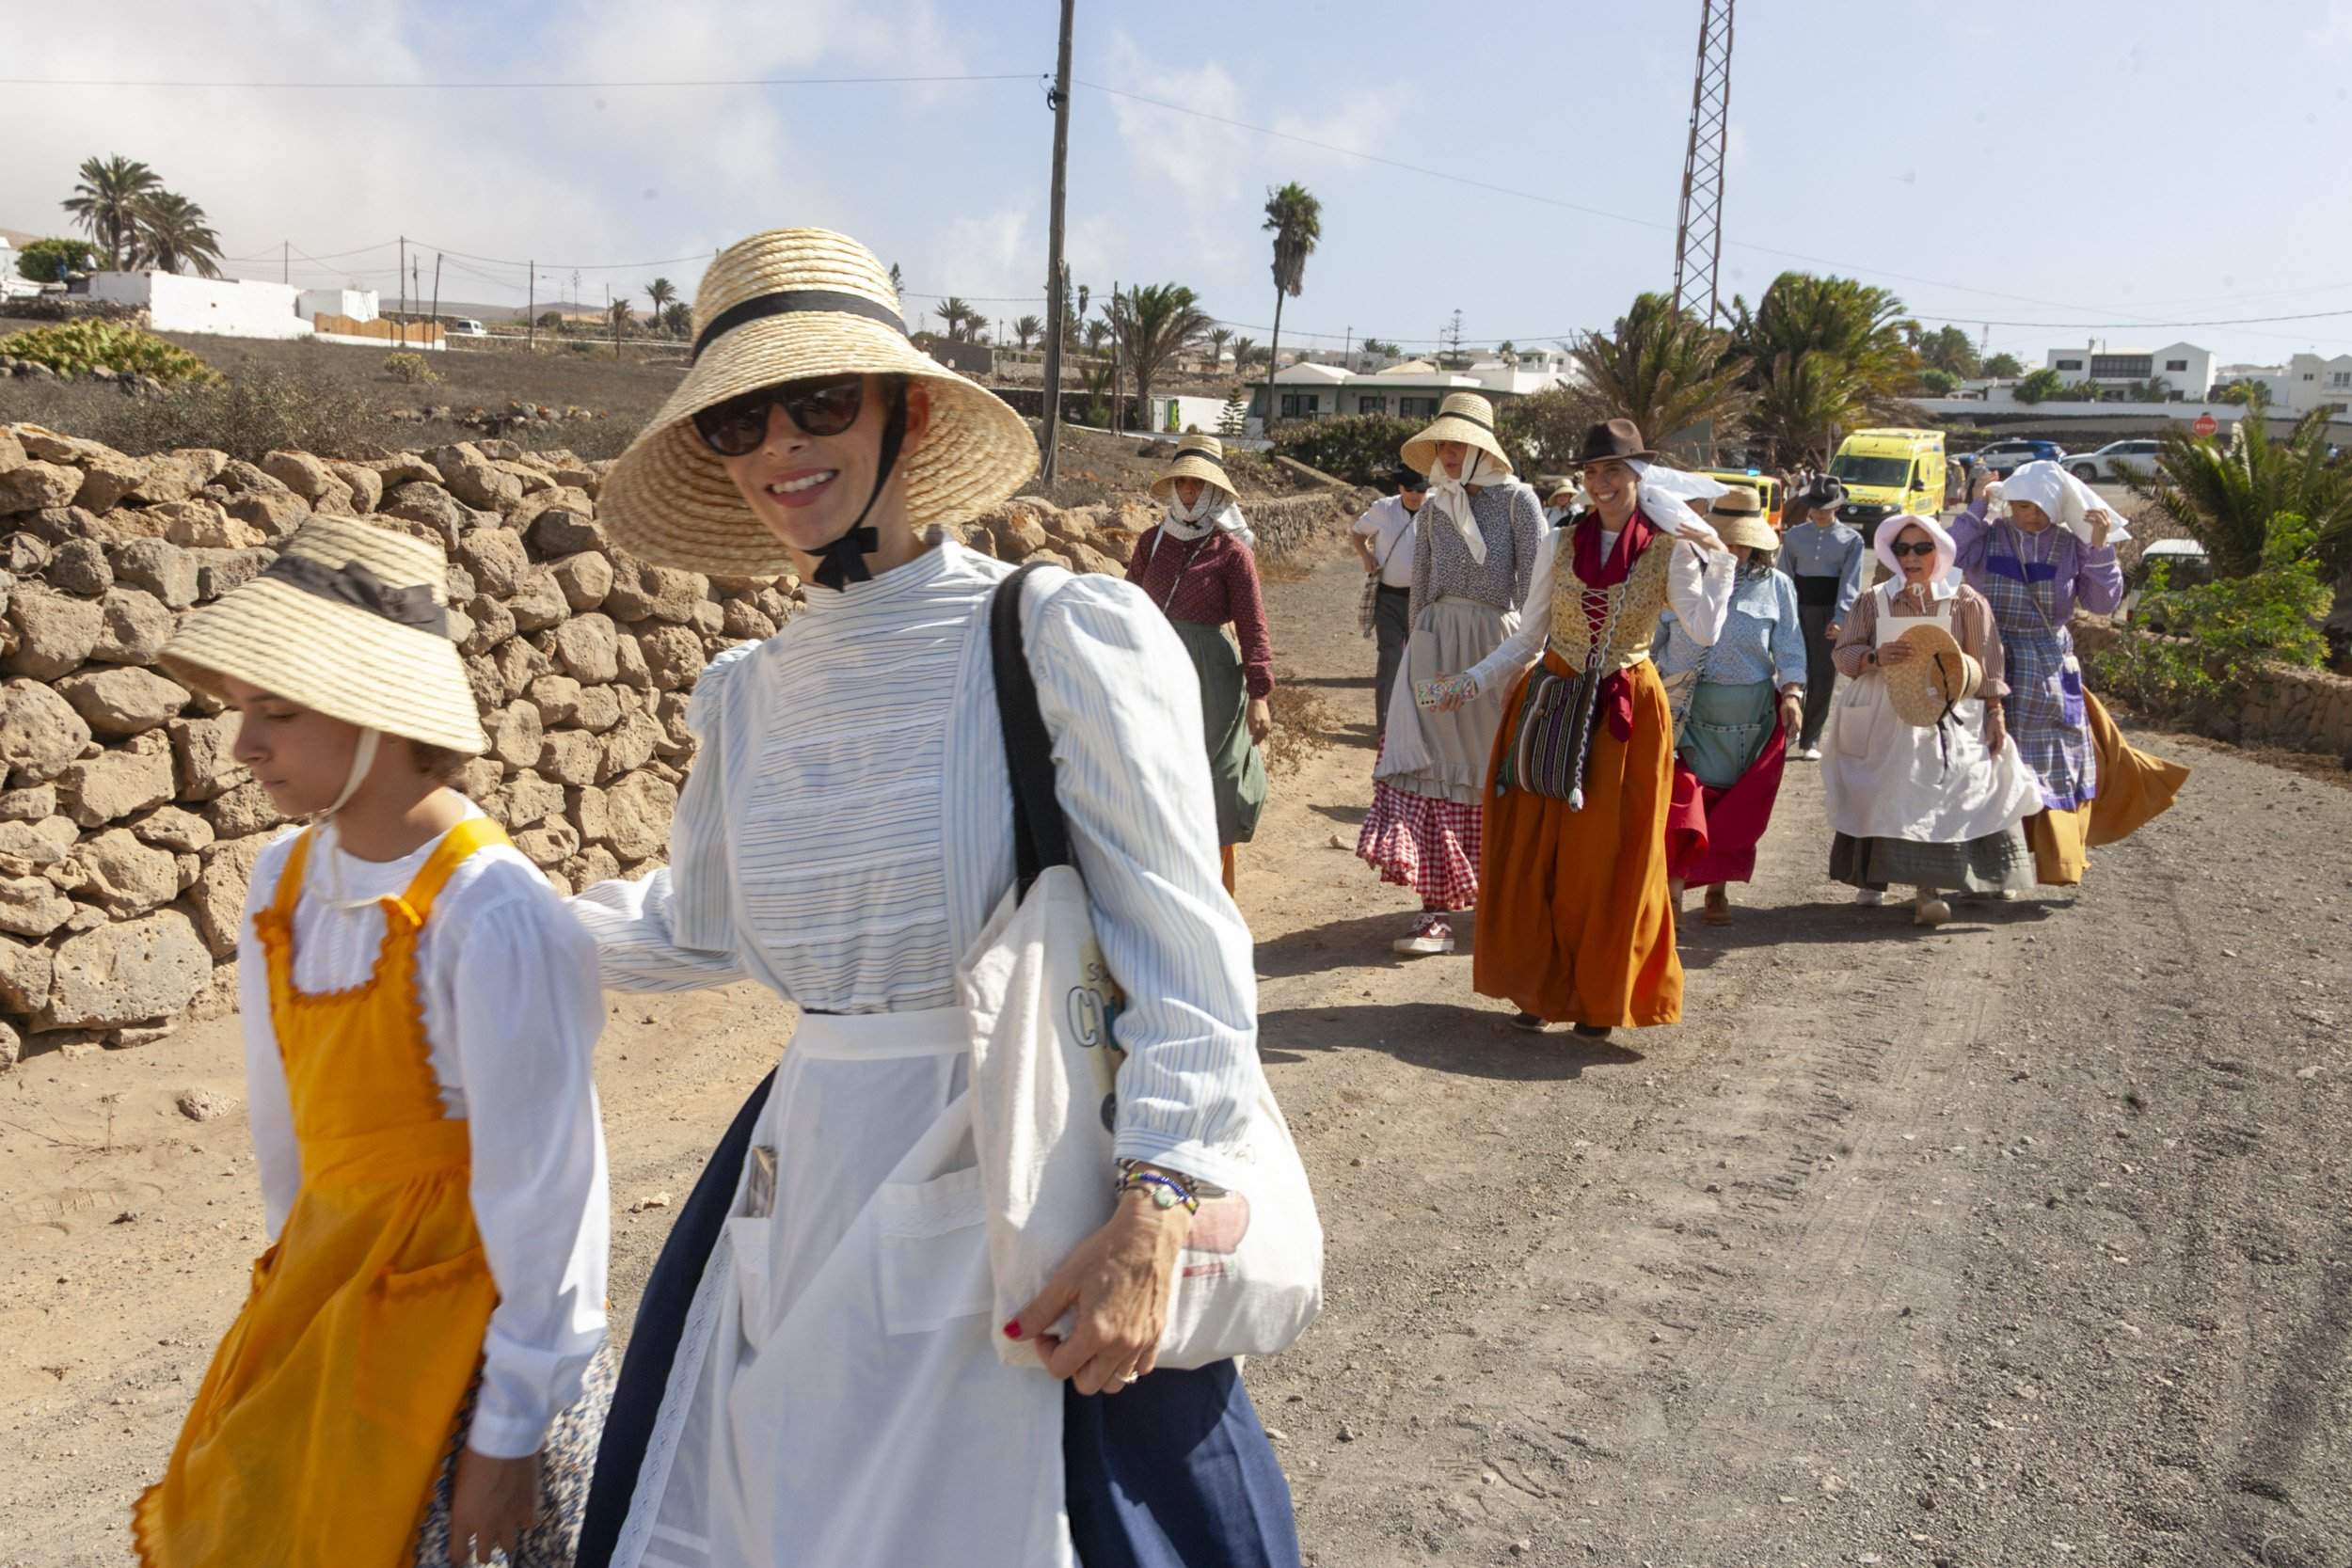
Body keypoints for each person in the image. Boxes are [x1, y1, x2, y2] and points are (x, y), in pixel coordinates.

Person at [566, 228, 1299, 1568]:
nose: (783, 442)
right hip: (801, 1199)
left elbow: (1184, 944)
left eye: (822, 400)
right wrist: (484, 908)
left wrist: (1157, 1204)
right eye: (741, 417)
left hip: (1018, 1184)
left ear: (907, 410)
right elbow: (698, 924)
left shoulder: (1055, 633)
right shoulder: (748, 694)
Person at [136, 516, 612, 1568]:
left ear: (378, 715)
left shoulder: (491, 912)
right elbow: (290, 1139)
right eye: (243, 710)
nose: (242, 745)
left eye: (278, 710)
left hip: (472, 1358)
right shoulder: (284, 882)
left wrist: (510, 1427)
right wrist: (292, 1308)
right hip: (334, 1310)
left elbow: (550, 1192)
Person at [1444, 419, 1734, 1037]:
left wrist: (1721, 561)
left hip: (1625, 711)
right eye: (1594, 471)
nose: (1602, 483)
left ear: (1637, 476)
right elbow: (1529, 633)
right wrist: (1472, 680)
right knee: (1539, 848)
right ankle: (1538, 987)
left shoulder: (1670, 547)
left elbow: (1704, 631)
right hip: (1552, 694)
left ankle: (1599, 993)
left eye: (1615, 471)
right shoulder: (1560, 540)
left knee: (1608, 857)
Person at [1358, 391, 1543, 957]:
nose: (1451, 452)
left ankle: (1501, 903)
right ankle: (1434, 911)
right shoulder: (1436, 504)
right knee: (1428, 768)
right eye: (1444, 443)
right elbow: (1420, 582)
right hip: (1434, 641)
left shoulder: (1519, 502)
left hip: (1494, 644)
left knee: (1490, 771)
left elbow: (1536, 584)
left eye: (1460, 443)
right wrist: (1416, 648)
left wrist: (1530, 658)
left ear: (1483, 446)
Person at [1820, 514, 2042, 926]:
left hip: (1947, 708)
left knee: (1955, 782)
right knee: (1880, 785)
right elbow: (1844, 653)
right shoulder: (1874, 600)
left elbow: (1989, 662)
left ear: (1938, 552)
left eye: (1922, 548)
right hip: (1883, 711)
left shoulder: (1965, 600)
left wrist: (1995, 713)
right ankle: (1874, 877)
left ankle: (1939, 884)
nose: (1911, 557)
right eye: (1902, 549)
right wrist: (1873, 657)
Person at [1947, 458, 2132, 886]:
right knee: (1982, 759)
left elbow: (2102, 605)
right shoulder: (1988, 536)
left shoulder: (2072, 547)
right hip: (1987, 655)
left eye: (2040, 507)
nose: (2032, 515)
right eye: (2023, 505)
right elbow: (1949, 553)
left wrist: (2101, 546)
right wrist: (1976, 507)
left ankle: (2049, 861)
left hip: (2047, 668)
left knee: (2049, 763)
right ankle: (1980, 868)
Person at [1654, 485, 1806, 926]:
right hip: (1686, 709)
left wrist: (1793, 695)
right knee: (1682, 804)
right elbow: (1651, 644)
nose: (1736, 549)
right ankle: (1674, 892)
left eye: (1743, 540)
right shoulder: (1679, 580)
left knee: (1732, 809)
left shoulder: (1776, 587)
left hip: (1750, 717)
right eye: (1728, 539)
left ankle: (1717, 890)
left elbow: (1791, 647)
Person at [1130, 432, 1273, 895]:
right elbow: (1127, 601)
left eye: (1198, 486)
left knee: (1211, 783)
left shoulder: (1231, 553)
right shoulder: (1151, 542)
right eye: (1183, 485)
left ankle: (1210, 895)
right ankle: (1161, 891)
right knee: (1156, 776)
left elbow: (1253, 625)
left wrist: (1261, 695)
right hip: (1153, 669)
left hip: (1211, 678)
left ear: (1214, 492)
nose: (1190, 494)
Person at [1778, 477, 1867, 759]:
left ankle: (1811, 739)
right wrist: (1782, 611)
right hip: (1796, 607)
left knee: (1823, 674)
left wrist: (1841, 617)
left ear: (1837, 508)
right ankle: (1787, 731)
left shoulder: (1852, 540)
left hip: (1829, 611)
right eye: (1815, 506)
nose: (1819, 512)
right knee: (1792, 669)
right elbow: (1784, 576)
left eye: (1825, 507)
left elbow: (1850, 583)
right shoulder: (1793, 536)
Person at [1350, 461, 1427, 741]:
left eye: (1420, 490)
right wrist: (1366, 555)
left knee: (1422, 664)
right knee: (1390, 661)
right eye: (1410, 489)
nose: (1415, 495)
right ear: (1400, 488)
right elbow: (1358, 533)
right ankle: (1384, 732)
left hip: (1423, 601)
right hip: (1388, 599)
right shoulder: (1383, 509)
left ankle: (1418, 732)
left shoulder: (1436, 511)